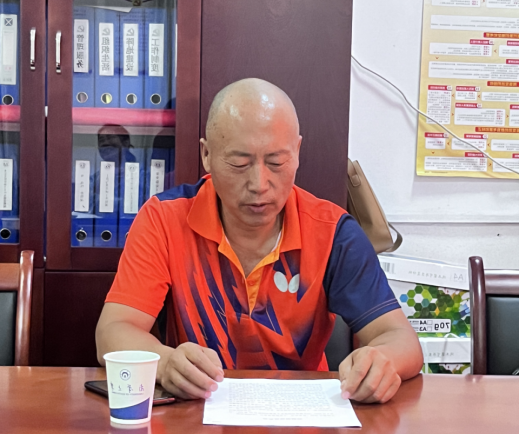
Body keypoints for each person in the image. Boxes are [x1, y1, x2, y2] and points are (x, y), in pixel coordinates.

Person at [96, 78, 423, 404]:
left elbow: (401, 339)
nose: (259, 184)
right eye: (239, 163)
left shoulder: (333, 233)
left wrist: (381, 362)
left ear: (297, 152)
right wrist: (166, 362)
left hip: (303, 418)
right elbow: (113, 331)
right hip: (197, 413)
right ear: (207, 154)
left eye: (276, 162)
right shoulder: (164, 220)